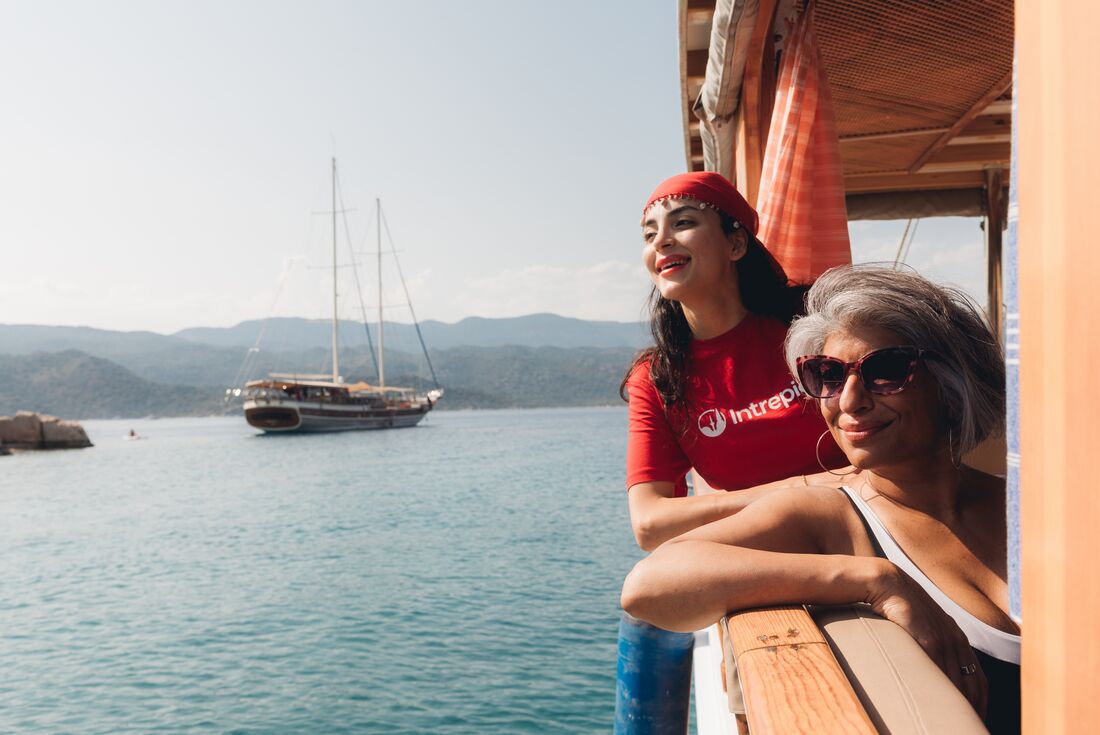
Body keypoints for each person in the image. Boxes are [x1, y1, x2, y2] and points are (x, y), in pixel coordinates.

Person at [621, 265, 1020, 733]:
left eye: (885, 371)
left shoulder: (1029, 501)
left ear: (952, 379)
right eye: (827, 375)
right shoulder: (832, 516)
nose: (849, 400)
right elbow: (649, 586)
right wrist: (878, 579)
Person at [623, 171, 847, 551]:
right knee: (645, 585)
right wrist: (807, 487)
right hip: (757, 550)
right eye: (649, 234)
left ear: (736, 243)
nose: (660, 241)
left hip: (855, 528)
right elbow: (648, 524)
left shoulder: (817, 327)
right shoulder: (658, 378)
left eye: (683, 222)